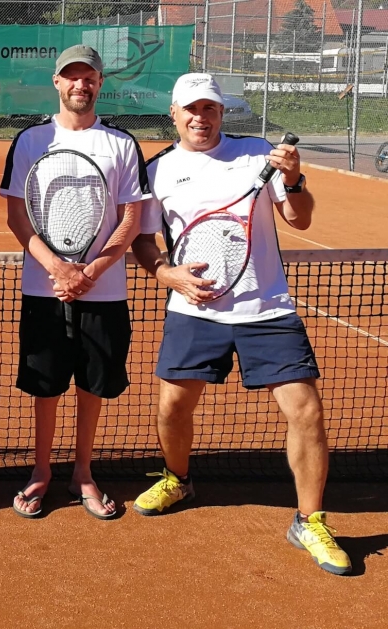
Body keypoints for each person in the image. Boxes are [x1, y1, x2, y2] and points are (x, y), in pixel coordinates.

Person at [130, 73, 351, 575]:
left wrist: (293, 180)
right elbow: (144, 241)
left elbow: (300, 219)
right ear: (174, 113)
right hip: (195, 310)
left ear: (221, 113)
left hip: (267, 309)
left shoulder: (257, 155)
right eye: (191, 109)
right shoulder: (158, 170)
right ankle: (177, 478)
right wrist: (166, 274)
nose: (200, 118)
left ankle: (310, 520)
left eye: (209, 108)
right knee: (172, 408)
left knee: (306, 411)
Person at [0, 45, 146, 520]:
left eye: (89, 77)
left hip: (105, 291)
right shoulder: (30, 141)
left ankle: (83, 471)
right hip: (43, 290)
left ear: (100, 83)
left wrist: (91, 271)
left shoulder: (121, 144)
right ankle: (42, 470)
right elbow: (17, 215)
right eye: (72, 76)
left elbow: (130, 218)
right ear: (57, 82)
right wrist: (58, 269)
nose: (81, 84)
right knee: (46, 386)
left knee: (92, 384)